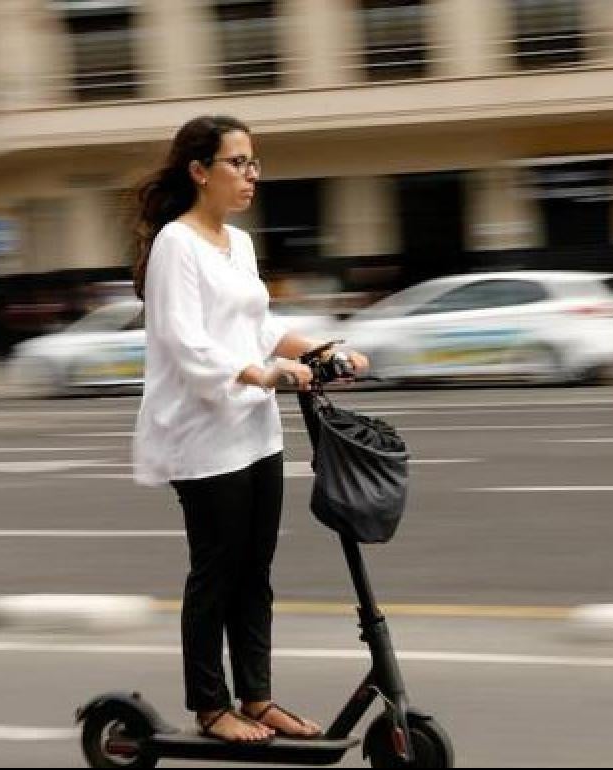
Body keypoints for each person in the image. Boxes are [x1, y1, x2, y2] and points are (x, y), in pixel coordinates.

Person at [130, 115, 368, 744]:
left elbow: (259, 328)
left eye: (254, 162)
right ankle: (211, 707)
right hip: (202, 438)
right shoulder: (175, 246)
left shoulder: (238, 243)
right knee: (216, 572)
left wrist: (323, 349)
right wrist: (265, 376)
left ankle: (256, 698)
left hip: (255, 435)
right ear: (199, 171)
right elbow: (186, 345)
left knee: (254, 572)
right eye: (238, 162)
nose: (251, 175)